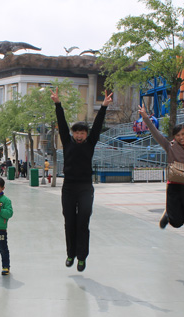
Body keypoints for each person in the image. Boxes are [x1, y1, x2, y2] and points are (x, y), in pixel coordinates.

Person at [50, 87, 113, 272]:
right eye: (76, 132)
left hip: (85, 188)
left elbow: (98, 125)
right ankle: (70, 254)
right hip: (68, 187)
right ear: (72, 134)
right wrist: (57, 104)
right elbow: (62, 124)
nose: (79, 135)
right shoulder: (67, 142)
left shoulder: (91, 143)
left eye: (82, 133)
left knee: (83, 222)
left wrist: (103, 107)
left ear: (86, 134)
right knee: (69, 222)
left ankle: (82, 257)